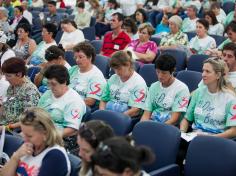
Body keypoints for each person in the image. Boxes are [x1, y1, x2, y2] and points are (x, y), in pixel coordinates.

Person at [1, 107, 71, 176]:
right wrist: (15, 157)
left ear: (45, 133)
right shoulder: (27, 147)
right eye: (23, 134)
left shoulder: (55, 156)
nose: (25, 139)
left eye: (29, 136)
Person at [180, 58, 236, 139]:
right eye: (203, 71)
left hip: (217, 140)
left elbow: (234, 131)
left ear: (218, 75)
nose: (203, 74)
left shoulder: (230, 98)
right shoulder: (198, 92)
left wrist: (210, 139)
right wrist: (182, 134)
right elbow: (186, 119)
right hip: (195, 138)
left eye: (207, 71)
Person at [38, 65, 86, 140]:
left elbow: (72, 130)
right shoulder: (48, 94)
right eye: (48, 83)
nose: (50, 87)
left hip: (59, 138)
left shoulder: (74, 101)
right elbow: (37, 114)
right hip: (40, 131)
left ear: (64, 82)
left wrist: (48, 137)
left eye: (53, 84)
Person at [141, 54, 190, 125]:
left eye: (164, 73)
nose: (160, 76)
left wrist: (158, 129)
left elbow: (174, 119)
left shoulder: (182, 89)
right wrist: (142, 126)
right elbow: (146, 113)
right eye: (157, 72)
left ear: (173, 71)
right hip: (152, 123)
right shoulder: (154, 86)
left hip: (168, 127)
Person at [99, 50, 147, 117]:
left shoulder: (139, 83)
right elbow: (103, 100)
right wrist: (102, 113)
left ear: (128, 64)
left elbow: (135, 110)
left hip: (124, 117)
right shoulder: (113, 78)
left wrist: (117, 118)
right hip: (108, 113)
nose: (116, 72)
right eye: (114, 69)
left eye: (119, 69)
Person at [0, 57, 40, 129]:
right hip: (3, 124)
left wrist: (7, 128)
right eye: (5, 75)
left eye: (8, 76)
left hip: (15, 129)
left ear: (19, 74)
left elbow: (29, 119)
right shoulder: (12, 86)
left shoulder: (29, 91)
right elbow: (4, 106)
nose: (6, 79)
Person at [69, 41, 106, 108]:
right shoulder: (73, 69)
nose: (77, 60)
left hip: (81, 107)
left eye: (80, 57)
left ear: (90, 57)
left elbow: (90, 101)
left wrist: (69, 104)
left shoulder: (96, 76)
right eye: (75, 57)